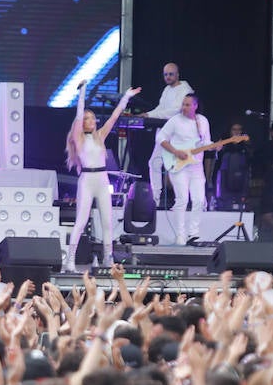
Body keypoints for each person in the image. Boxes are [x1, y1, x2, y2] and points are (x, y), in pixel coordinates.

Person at [64, 80, 140, 271]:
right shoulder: (78, 138)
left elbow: (114, 117)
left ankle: (108, 258)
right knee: (81, 221)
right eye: (88, 118)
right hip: (87, 181)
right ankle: (70, 260)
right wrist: (82, 92)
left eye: (93, 118)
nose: (92, 120)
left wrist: (126, 98)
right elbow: (79, 113)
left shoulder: (99, 136)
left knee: (107, 221)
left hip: (102, 179)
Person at [158, 93, 213, 245]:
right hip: (179, 165)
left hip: (196, 166)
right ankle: (180, 235)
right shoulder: (175, 120)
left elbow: (205, 142)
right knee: (182, 199)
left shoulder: (202, 121)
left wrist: (215, 146)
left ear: (195, 106)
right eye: (183, 104)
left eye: (188, 105)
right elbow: (161, 138)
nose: (184, 107)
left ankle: (193, 234)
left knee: (199, 200)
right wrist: (175, 151)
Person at [145, 63, 195, 204]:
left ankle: (194, 201)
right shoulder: (167, 90)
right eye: (165, 74)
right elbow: (161, 108)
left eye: (171, 74)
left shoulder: (185, 89)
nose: (168, 77)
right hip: (165, 133)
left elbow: (175, 110)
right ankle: (155, 198)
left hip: (179, 134)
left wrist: (151, 116)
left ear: (178, 74)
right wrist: (147, 114)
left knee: (181, 168)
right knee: (154, 163)